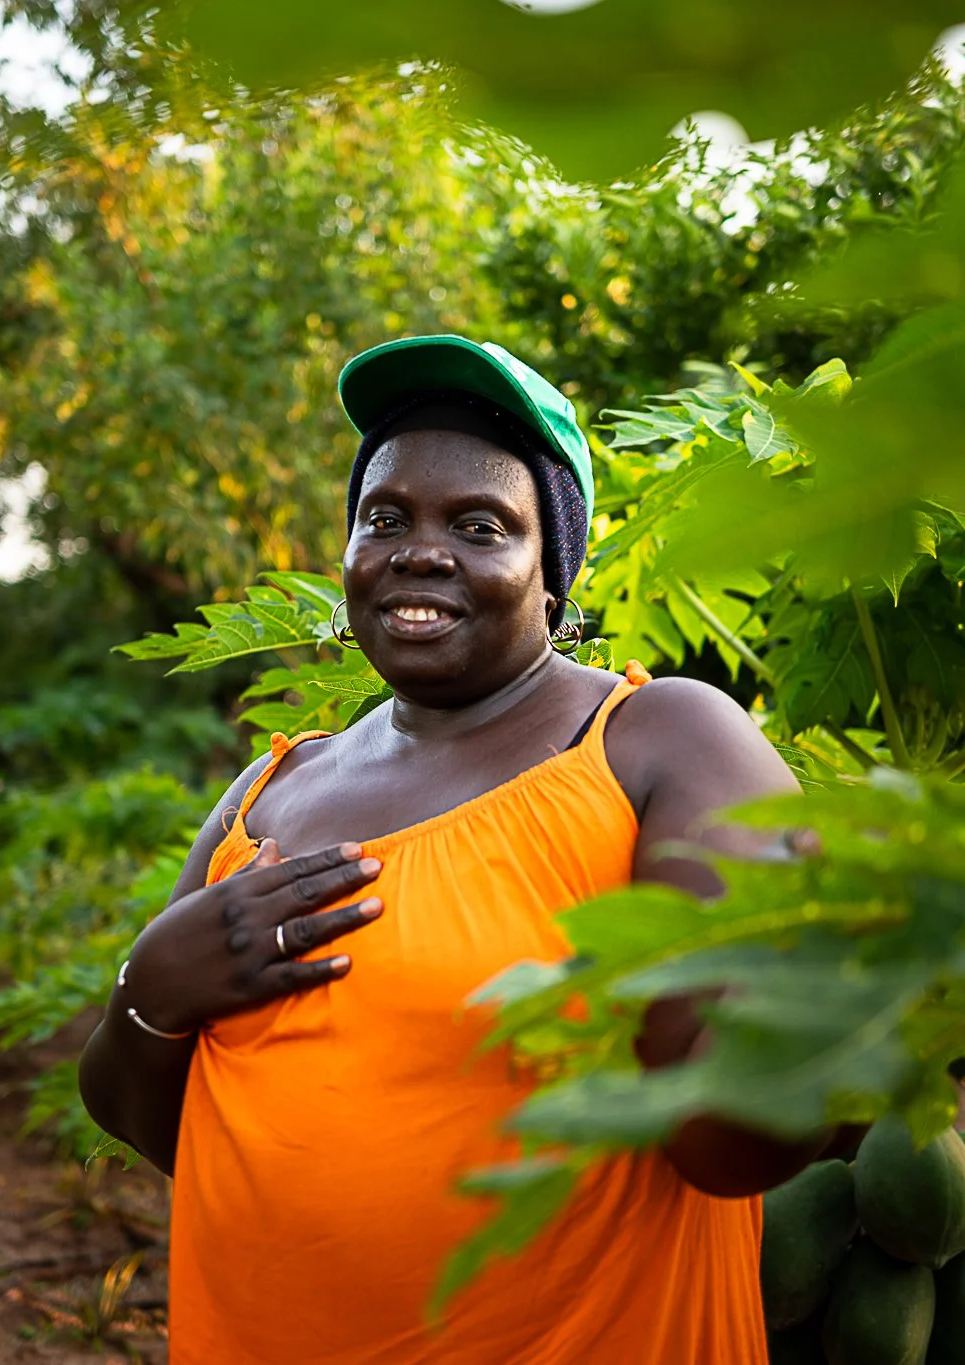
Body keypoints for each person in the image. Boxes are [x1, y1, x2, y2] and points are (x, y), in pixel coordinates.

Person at [79, 335, 822, 1363]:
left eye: (480, 526)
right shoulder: (268, 788)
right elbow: (159, 1127)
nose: (418, 551)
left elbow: (723, 1139)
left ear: (550, 576)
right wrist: (150, 990)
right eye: (384, 518)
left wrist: (854, 1001)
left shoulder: (655, 743)